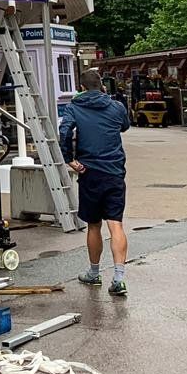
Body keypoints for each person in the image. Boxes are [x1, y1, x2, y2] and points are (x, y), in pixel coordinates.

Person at [59, 68, 130, 297]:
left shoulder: (74, 107)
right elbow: (125, 126)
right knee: (116, 224)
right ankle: (119, 279)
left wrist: (69, 159)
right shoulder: (116, 106)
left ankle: (94, 272)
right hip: (115, 172)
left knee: (94, 225)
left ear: (81, 88)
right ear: (102, 85)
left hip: (90, 172)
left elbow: (64, 132)